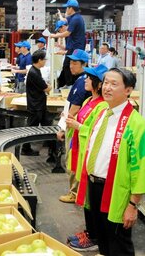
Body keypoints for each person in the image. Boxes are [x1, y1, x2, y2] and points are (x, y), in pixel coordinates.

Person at [75, 68, 145, 255]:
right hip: (94, 186)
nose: (107, 87)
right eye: (106, 82)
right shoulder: (102, 111)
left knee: (118, 245)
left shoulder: (137, 124)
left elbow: (144, 168)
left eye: (114, 84)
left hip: (116, 190)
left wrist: (133, 205)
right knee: (102, 240)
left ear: (128, 90)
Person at [65, 64, 108, 252]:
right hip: (83, 154)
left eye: (89, 78)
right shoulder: (88, 101)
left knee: (92, 200)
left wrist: (77, 126)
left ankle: (95, 236)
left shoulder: (103, 106)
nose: (86, 80)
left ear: (98, 84)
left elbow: (98, 133)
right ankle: (90, 232)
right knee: (87, 198)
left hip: (91, 159)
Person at [57, 49, 92, 202]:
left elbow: (75, 108)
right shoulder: (80, 80)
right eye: (70, 62)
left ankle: (75, 193)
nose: (71, 66)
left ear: (84, 65)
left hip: (74, 126)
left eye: (75, 63)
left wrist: (63, 128)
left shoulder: (82, 81)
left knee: (73, 160)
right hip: (75, 123)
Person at [21, 50, 52, 155]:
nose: (45, 61)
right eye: (45, 59)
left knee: (47, 124)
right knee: (31, 128)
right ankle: (25, 149)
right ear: (39, 60)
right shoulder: (34, 73)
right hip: (35, 106)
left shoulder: (36, 70)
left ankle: (51, 148)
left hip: (39, 104)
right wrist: (49, 86)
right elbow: (46, 88)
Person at [50, 0, 86, 87]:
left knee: (69, 67)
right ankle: (67, 84)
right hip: (73, 48)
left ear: (71, 8)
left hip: (76, 49)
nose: (66, 10)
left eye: (67, 8)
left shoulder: (76, 19)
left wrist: (55, 36)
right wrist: (59, 14)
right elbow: (64, 19)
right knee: (66, 67)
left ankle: (71, 85)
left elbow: (67, 33)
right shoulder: (74, 17)